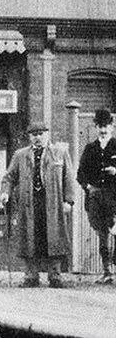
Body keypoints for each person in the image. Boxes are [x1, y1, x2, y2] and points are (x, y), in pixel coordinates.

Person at [0, 122, 76, 288]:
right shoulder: (21, 155)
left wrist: (68, 200)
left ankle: (55, 276)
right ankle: (31, 276)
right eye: (34, 134)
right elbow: (9, 177)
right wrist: (5, 192)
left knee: (54, 237)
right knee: (30, 237)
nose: (38, 137)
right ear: (29, 136)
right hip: (29, 203)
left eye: (41, 133)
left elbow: (68, 178)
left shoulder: (59, 153)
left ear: (47, 134)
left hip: (53, 203)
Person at [76, 109, 116, 283]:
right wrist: (88, 187)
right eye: (100, 126)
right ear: (95, 127)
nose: (103, 129)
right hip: (96, 198)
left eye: (106, 125)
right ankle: (107, 271)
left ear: (112, 126)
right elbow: (80, 174)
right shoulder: (90, 148)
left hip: (114, 196)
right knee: (101, 234)